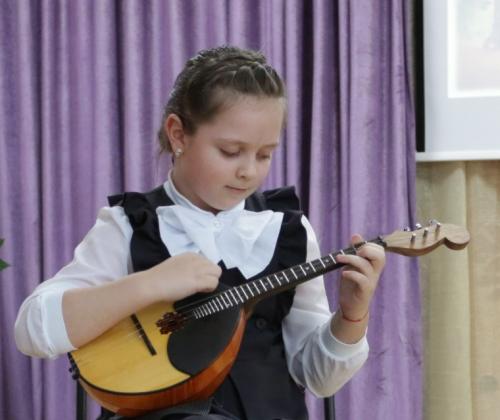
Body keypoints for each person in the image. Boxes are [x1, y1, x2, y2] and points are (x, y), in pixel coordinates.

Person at [14, 46, 385, 420]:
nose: (248, 171)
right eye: (230, 151)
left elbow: (318, 378)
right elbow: (32, 329)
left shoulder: (287, 231)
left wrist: (352, 316)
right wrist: (148, 284)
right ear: (178, 134)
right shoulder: (129, 224)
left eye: (264, 154)